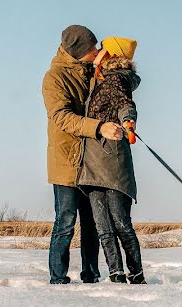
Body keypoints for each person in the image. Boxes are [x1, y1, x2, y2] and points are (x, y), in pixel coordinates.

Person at [42, 25, 125, 284]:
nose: (96, 51)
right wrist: (99, 127)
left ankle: (91, 274)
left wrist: (108, 66)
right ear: (78, 52)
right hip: (66, 162)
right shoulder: (54, 78)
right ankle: (58, 278)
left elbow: (122, 87)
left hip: (92, 162)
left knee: (92, 223)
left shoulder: (94, 71)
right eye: (92, 49)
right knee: (65, 222)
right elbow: (61, 118)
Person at [76, 37, 146, 284]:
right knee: (103, 227)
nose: (97, 50)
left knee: (119, 223)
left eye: (102, 47)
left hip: (112, 160)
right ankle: (116, 274)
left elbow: (125, 103)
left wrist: (128, 121)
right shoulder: (100, 78)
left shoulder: (117, 78)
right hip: (93, 162)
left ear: (111, 55)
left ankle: (136, 275)